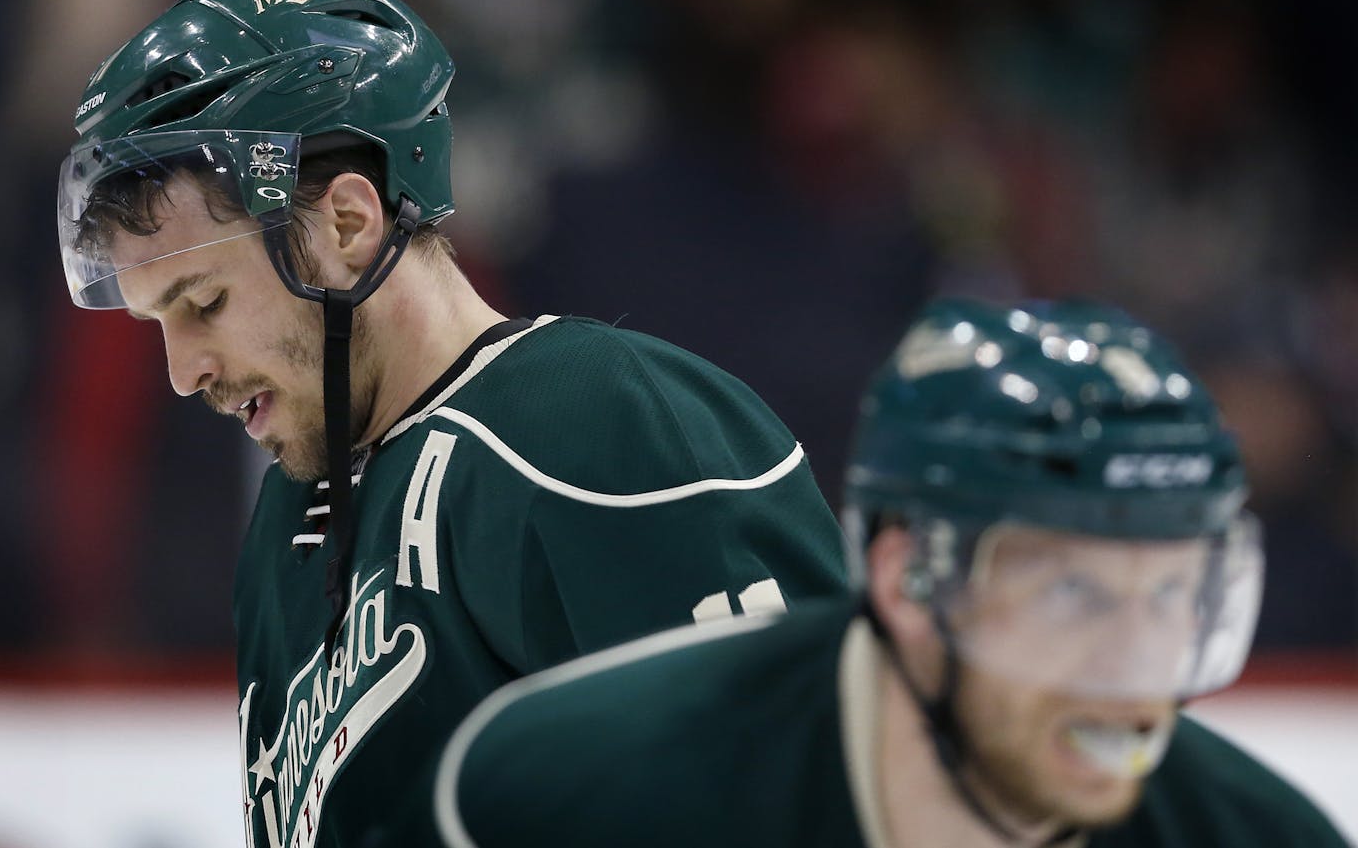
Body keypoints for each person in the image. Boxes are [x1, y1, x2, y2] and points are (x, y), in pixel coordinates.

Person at [54, 0, 850, 848]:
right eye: (156, 321)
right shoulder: (287, 524)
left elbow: (799, 804)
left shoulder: (594, 424)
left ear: (347, 227)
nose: (182, 371)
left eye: (203, 303)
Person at [436, 298, 1351, 848]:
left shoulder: (1259, 837)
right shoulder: (590, 787)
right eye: (1072, 593)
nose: (1132, 672)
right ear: (910, 579)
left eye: (1173, 596)